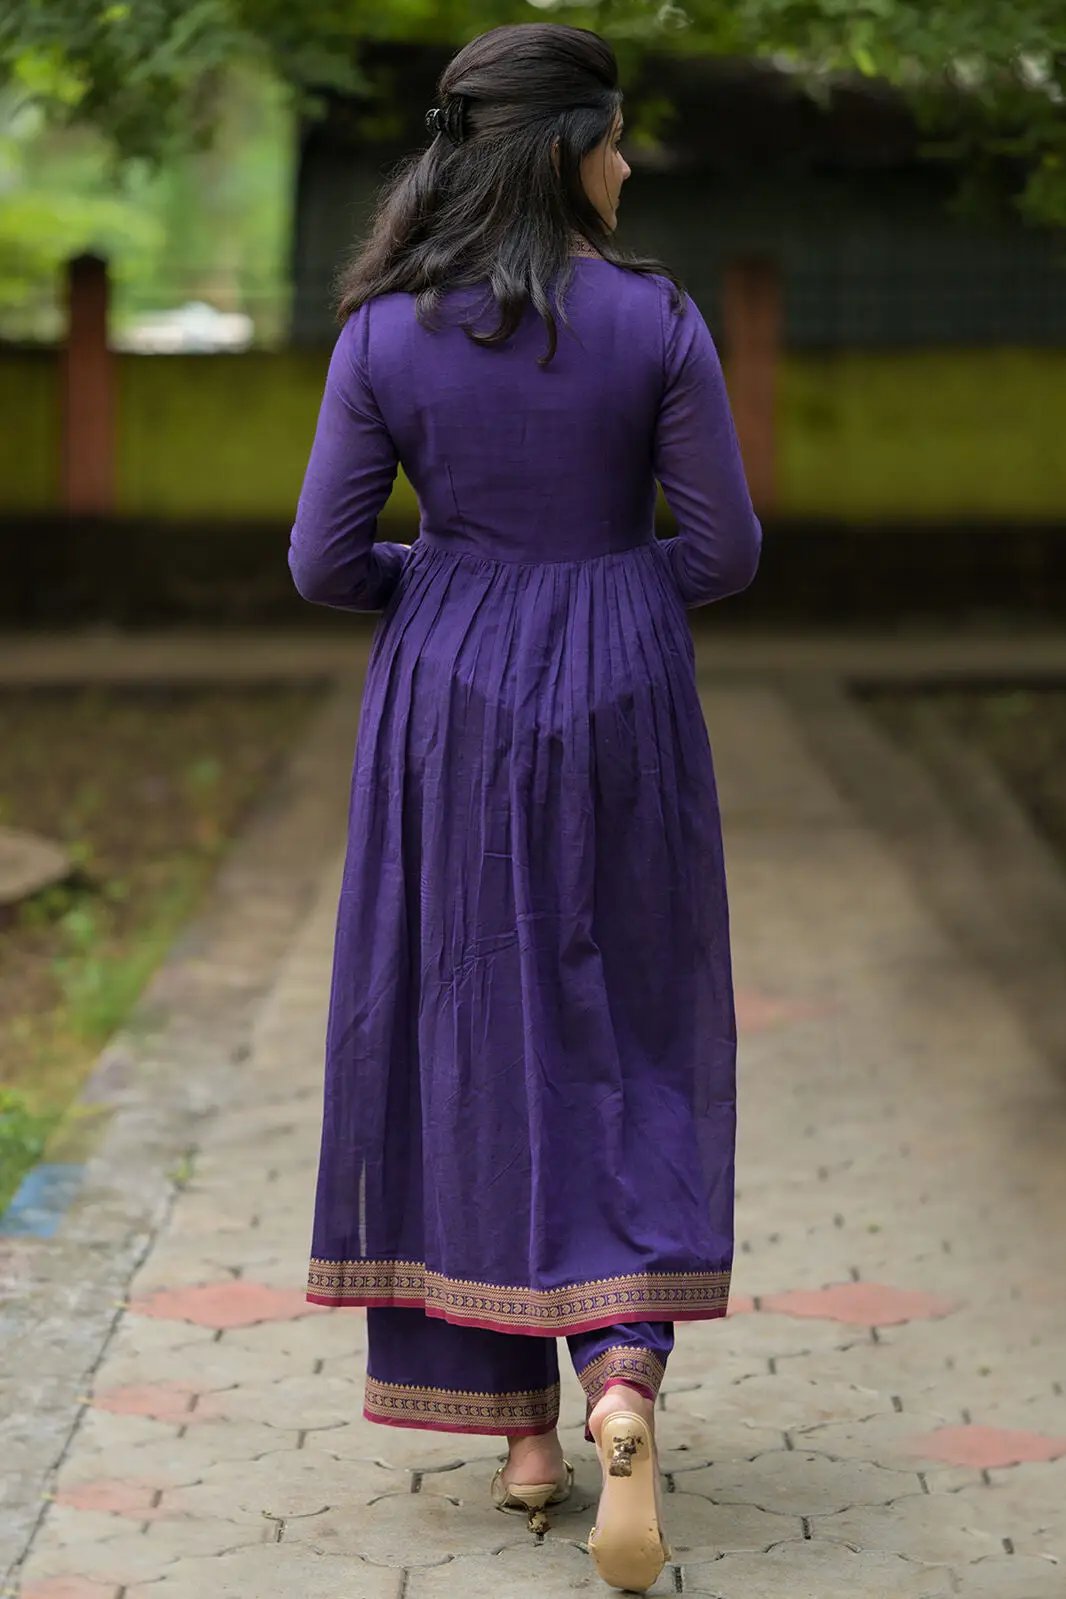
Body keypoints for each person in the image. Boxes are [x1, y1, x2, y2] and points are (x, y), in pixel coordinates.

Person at [288, 20, 761, 1593]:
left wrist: (452, 580)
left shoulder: (383, 333)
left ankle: (520, 1441)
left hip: (449, 711)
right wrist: (609, 593)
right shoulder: (656, 320)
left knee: (467, 1036)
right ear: (566, 149)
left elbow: (324, 565)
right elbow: (722, 557)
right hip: (626, 696)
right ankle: (619, 1374)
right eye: (617, 140)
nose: (628, 167)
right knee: (625, 1027)